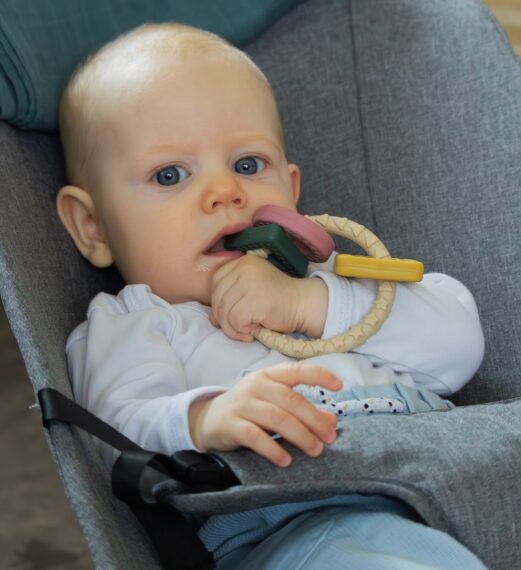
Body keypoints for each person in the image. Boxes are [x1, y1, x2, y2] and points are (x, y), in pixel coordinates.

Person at [56, 22, 487, 569]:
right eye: (169, 175)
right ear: (93, 226)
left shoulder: (328, 277)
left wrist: (306, 303)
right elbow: (114, 433)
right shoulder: (134, 321)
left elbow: (459, 348)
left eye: (247, 165)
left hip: (463, 468)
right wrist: (204, 418)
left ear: (291, 189)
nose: (225, 192)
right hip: (306, 516)